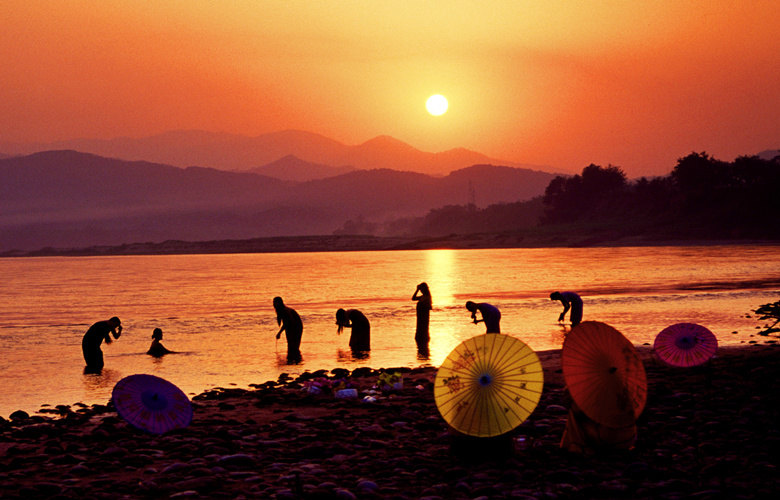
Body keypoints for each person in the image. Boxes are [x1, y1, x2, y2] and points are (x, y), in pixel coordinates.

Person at [274, 296, 303, 363]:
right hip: (290, 327)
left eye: (275, 303)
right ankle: (294, 359)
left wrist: (279, 333)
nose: (274, 304)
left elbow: (287, 323)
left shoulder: (285, 311)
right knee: (290, 345)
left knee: (293, 346)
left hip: (296, 327)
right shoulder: (280, 311)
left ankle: (295, 361)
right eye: (273, 303)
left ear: (279, 303)